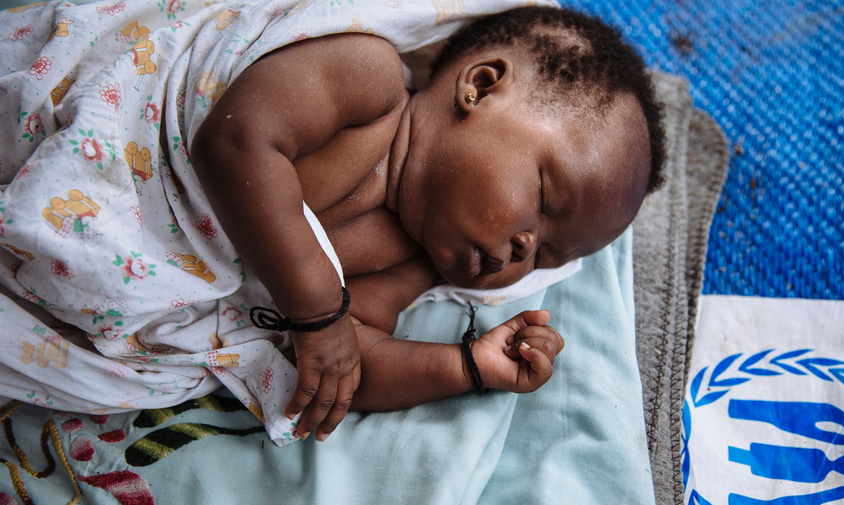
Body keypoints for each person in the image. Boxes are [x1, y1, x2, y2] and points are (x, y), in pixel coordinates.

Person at [0, 1, 664, 445]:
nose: (524, 247)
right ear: (481, 86)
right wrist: (318, 310)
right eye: (544, 198)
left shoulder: (408, 263)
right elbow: (235, 142)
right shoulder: (367, 82)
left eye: (548, 253)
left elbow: (340, 367)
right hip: (110, 150)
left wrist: (467, 364)